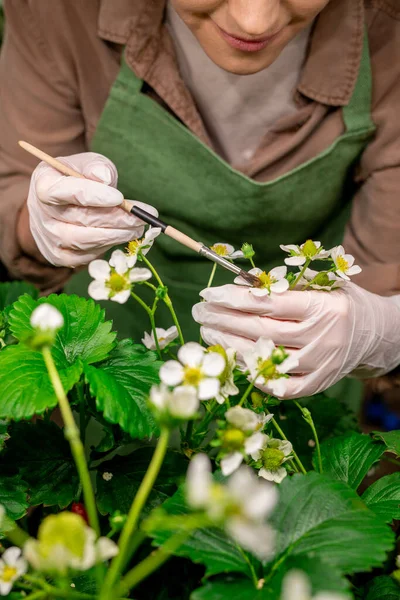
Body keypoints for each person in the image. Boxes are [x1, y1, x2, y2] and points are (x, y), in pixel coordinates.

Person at [0, 0, 400, 400]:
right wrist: (44, 221)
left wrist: (383, 331)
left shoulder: (389, 27)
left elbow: (385, 277)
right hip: (104, 369)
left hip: (307, 381)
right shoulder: (58, 11)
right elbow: (14, 194)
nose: (253, 22)